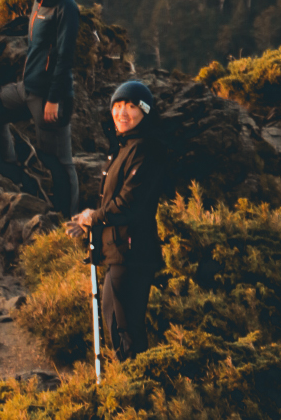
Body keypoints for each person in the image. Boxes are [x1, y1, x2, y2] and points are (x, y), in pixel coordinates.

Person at [67, 79, 164, 362]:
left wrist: (92, 218)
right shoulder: (125, 147)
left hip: (133, 252)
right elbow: (113, 201)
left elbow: (128, 204)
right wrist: (90, 221)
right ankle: (130, 382)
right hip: (118, 251)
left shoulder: (146, 150)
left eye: (131, 106)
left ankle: (139, 388)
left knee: (127, 327)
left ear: (144, 111)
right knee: (113, 319)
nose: (122, 112)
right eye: (117, 106)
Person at [0, 0, 81, 214]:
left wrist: (54, 99)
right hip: (27, 88)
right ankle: (9, 172)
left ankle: (66, 218)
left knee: (57, 159)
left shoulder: (65, 8)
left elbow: (63, 58)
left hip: (49, 95)